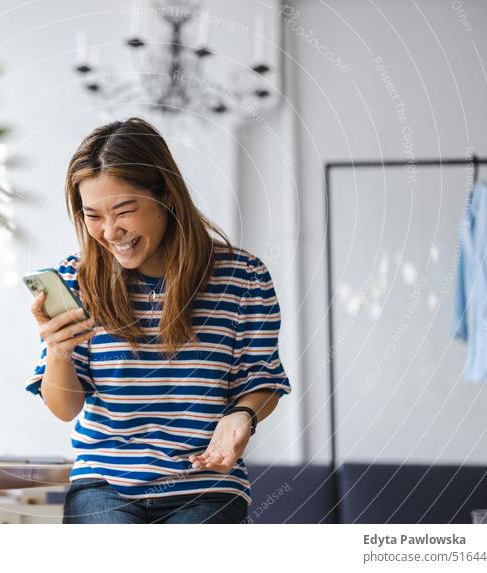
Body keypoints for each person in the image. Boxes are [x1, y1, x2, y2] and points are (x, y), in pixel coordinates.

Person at [26, 117, 291, 524]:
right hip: (104, 485)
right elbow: (64, 409)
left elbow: (261, 380)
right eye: (93, 215)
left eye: (124, 210)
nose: (111, 231)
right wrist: (58, 350)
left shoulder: (243, 277)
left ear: (166, 196)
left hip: (206, 485)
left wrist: (243, 415)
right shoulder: (76, 279)